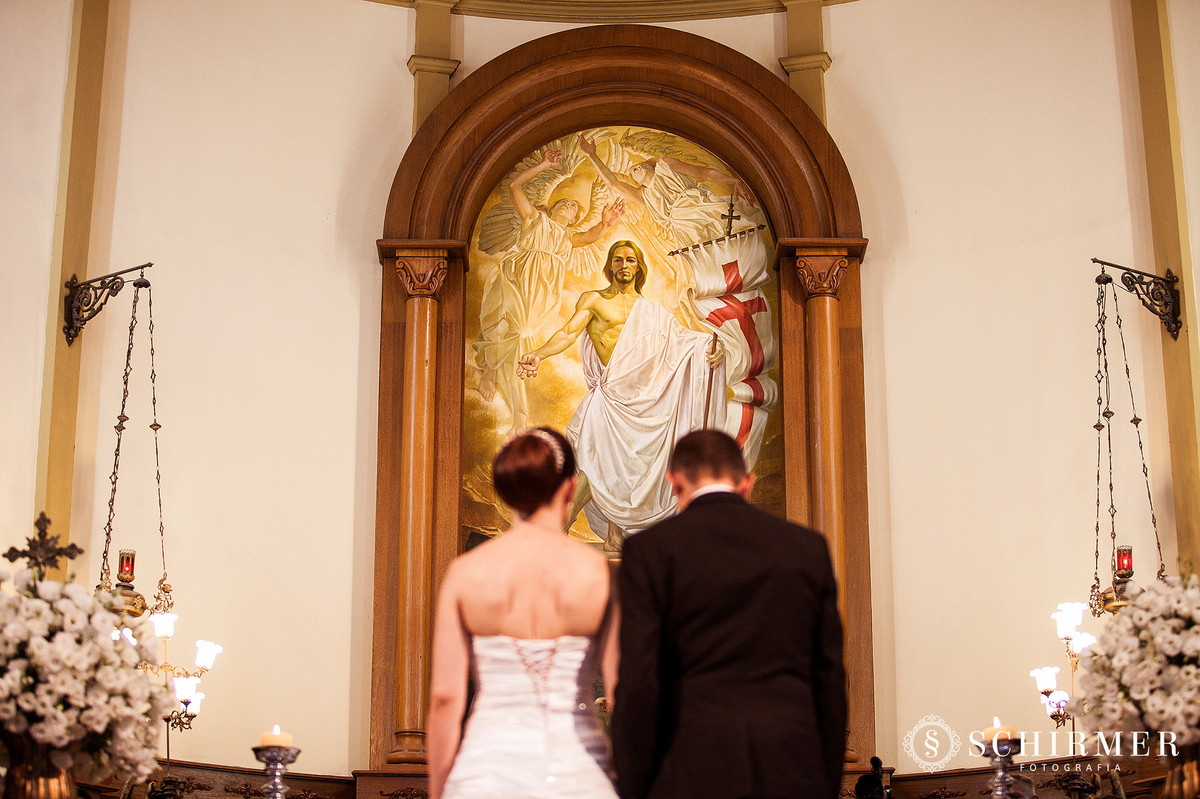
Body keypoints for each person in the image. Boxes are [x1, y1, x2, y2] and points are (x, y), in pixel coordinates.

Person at [612, 429, 847, 799]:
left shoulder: (650, 552)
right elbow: (830, 677)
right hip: (793, 765)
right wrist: (825, 778)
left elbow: (639, 681)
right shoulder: (807, 548)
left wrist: (634, 785)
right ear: (747, 483)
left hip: (692, 765)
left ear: (674, 483)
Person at [427, 428, 620, 799]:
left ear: (507, 491)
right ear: (569, 488)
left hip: (485, 776)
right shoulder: (598, 574)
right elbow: (622, 692)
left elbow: (445, 699)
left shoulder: (466, 573)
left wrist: (439, 791)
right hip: (577, 776)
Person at [516, 240, 724, 550]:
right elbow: (568, 333)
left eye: (629, 260)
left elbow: (685, 343)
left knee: (629, 466)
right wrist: (539, 353)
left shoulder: (654, 313)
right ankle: (562, 522)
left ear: (639, 267)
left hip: (644, 401)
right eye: (618, 259)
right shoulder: (595, 301)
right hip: (609, 397)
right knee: (592, 460)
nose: (623, 265)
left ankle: (616, 535)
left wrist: (712, 348)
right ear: (610, 265)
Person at [474, 147, 624, 432]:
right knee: (511, 331)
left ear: (572, 220)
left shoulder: (568, 238)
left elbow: (590, 236)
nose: (572, 208)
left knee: (522, 334)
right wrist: (543, 165)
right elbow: (515, 185)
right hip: (516, 281)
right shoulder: (534, 220)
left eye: (575, 210)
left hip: (542, 295)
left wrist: (604, 223)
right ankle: (513, 404)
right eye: (566, 203)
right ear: (553, 207)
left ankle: (493, 374)